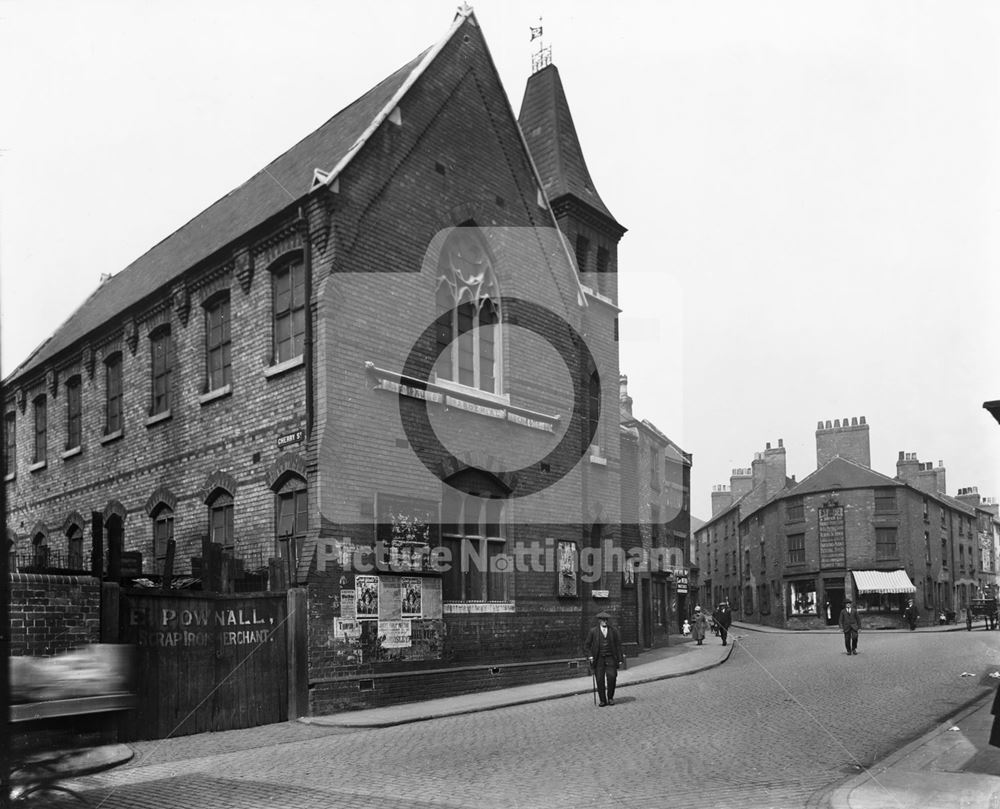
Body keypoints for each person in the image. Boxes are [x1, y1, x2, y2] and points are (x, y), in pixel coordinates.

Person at [583, 610, 624, 707]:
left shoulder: (613, 631)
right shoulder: (593, 631)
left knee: (612, 677)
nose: (605, 621)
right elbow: (586, 645)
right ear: (599, 621)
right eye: (603, 620)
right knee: (600, 680)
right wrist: (590, 656)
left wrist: (620, 658)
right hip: (599, 659)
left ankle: (610, 698)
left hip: (611, 658)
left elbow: (618, 645)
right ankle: (602, 700)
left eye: (606, 620)